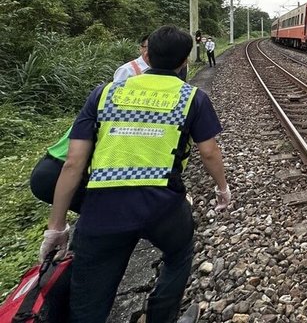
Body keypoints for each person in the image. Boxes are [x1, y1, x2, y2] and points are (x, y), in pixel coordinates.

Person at [39, 25, 231, 323]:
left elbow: (73, 163)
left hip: (103, 206)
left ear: (147, 55)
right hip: (163, 204)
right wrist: (223, 189)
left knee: (89, 297)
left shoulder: (103, 94)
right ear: (185, 61)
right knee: (179, 256)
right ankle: (161, 317)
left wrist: (56, 226)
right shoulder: (192, 97)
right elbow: (209, 152)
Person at [29, 34, 153, 212]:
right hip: (59, 171)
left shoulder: (101, 104)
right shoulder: (118, 113)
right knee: (112, 217)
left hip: (57, 166)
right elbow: (74, 163)